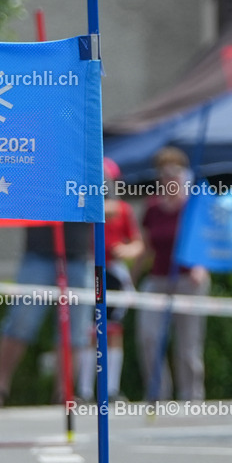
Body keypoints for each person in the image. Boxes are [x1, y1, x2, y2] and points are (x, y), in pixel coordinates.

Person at [0, 222, 94, 406]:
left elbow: (110, 207)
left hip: (77, 257)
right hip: (38, 255)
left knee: (75, 331)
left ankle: (64, 393)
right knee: (19, 323)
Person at [134, 147, 209, 402]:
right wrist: (133, 279)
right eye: (164, 173)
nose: (169, 178)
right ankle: (157, 394)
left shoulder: (193, 206)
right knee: (149, 337)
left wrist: (201, 267)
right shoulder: (153, 207)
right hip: (159, 279)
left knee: (188, 345)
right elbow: (145, 247)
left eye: (174, 172)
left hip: (189, 280)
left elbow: (206, 241)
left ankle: (192, 396)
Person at [102, 158, 143, 399]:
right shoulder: (87, 204)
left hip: (115, 272)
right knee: (89, 330)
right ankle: (86, 389)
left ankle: (111, 389)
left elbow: (137, 243)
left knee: (114, 330)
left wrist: (126, 251)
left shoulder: (124, 210)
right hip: (92, 269)